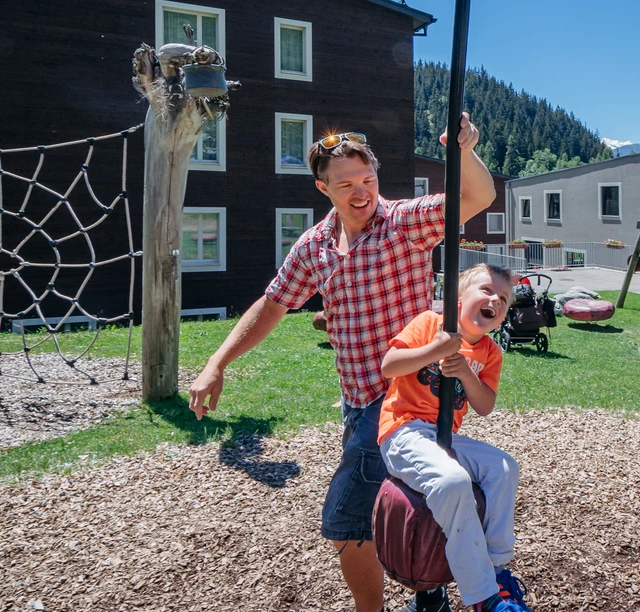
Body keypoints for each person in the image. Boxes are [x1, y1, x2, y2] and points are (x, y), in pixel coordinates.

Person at [187, 113, 496, 612]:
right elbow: (272, 305)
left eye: (368, 180)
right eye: (346, 184)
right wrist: (217, 361)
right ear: (322, 188)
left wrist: (463, 152)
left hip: (404, 397)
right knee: (412, 497)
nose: (361, 193)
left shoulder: (403, 223)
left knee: (347, 521)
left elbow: (477, 198)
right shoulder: (315, 246)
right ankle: (430, 592)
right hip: (358, 402)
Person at [377, 263, 531, 612]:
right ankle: (483, 596)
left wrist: (464, 371)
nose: (495, 299)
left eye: (503, 299)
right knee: (452, 482)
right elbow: (390, 365)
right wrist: (437, 350)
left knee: (504, 468)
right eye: (487, 290)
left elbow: (485, 405)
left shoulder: (490, 352)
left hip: (444, 436)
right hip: (403, 430)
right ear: (458, 298)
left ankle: (496, 571)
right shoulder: (431, 324)